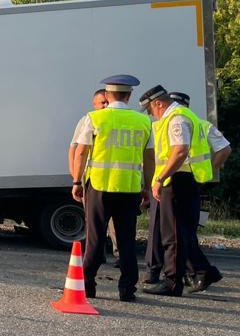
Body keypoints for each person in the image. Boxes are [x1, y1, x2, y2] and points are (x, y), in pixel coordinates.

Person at [70, 74, 154, 302]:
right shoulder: (144, 121)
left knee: (95, 238)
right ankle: (127, 290)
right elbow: (149, 158)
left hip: (99, 186)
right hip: (129, 189)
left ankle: (88, 285)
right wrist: (146, 187)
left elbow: (81, 151)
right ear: (129, 95)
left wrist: (77, 181)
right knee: (126, 240)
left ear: (107, 95)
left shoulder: (95, 118)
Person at [138, 85, 216, 296]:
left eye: (150, 110)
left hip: (176, 181)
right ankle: (203, 271)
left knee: (171, 234)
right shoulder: (181, 116)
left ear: (158, 104)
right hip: (182, 180)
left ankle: (173, 282)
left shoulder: (176, 118)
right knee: (180, 231)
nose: (151, 115)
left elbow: (180, 151)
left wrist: (161, 178)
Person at [69, 89, 117, 263]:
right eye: (101, 103)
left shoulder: (118, 119)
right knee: (93, 219)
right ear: (94, 104)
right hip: (93, 178)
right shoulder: (88, 120)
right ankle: (97, 254)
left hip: (116, 177)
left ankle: (118, 253)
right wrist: (76, 176)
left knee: (115, 221)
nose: (105, 105)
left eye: (107, 102)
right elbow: (75, 149)